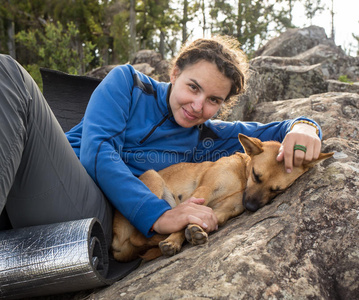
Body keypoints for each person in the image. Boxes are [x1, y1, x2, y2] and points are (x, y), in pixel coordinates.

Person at [0, 36, 322, 248]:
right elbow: (97, 150)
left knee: (7, 73)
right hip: (50, 179)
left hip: (92, 213)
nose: (198, 106)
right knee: (8, 74)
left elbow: (280, 132)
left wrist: (306, 127)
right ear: (174, 72)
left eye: (213, 100)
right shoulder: (128, 83)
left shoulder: (210, 136)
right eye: (193, 87)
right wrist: (159, 214)